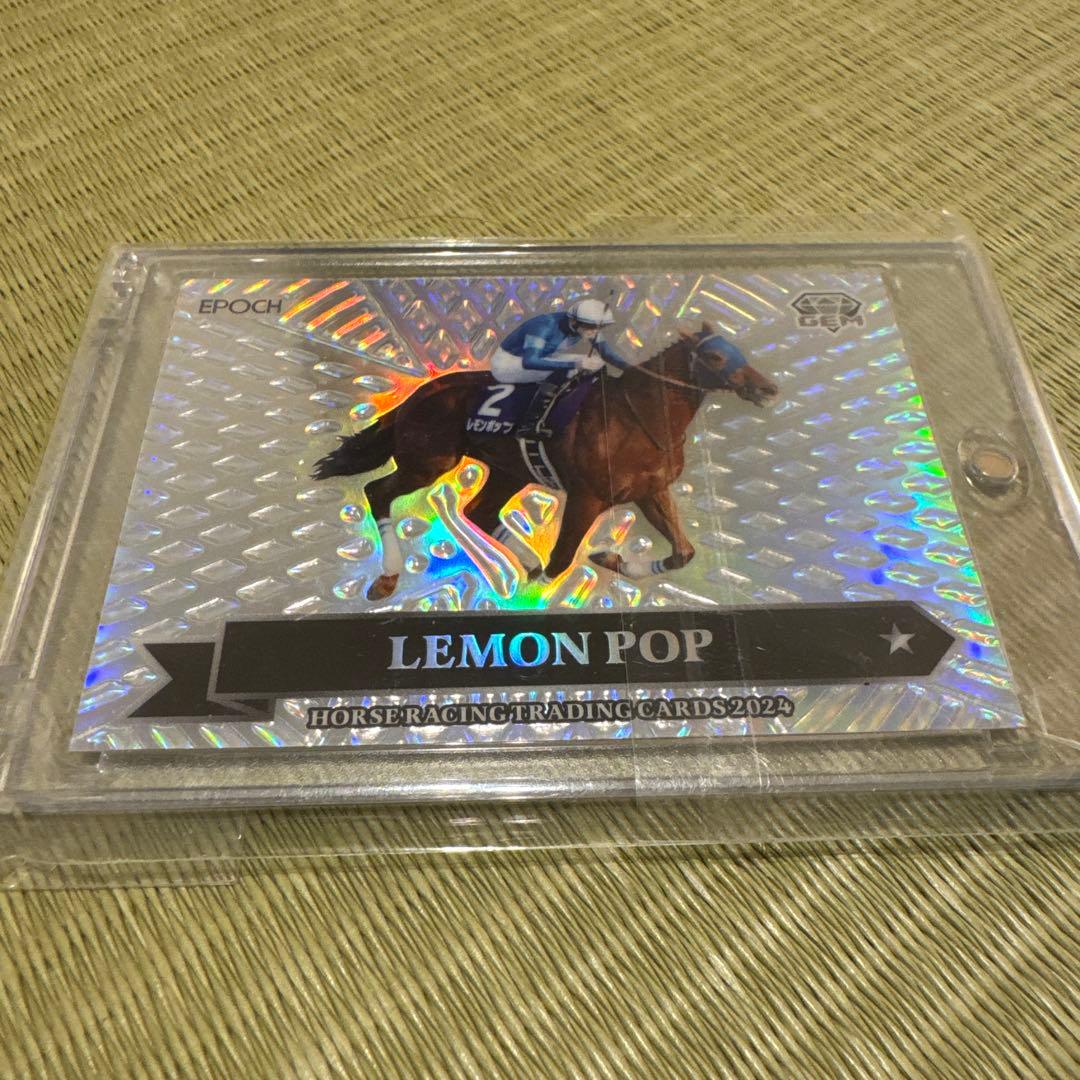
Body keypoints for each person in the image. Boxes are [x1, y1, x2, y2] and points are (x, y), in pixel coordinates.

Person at [489, 298, 631, 438]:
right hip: (508, 363)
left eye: (598, 327)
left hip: (540, 357)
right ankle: (530, 425)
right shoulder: (544, 325)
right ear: (574, 322)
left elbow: (606, 354)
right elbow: (529, 361)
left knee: (596, 362)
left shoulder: (584, 326)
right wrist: (574, 365)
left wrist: (632, 370)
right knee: (570, 368)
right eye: (591, 327)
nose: (594, 332)